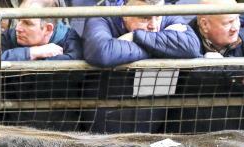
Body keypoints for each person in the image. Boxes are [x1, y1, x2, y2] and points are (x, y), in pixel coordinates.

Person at [135, 0, 244, 132]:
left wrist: (238, 75)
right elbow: (188, 78)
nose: (235, 27)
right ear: (204, 24)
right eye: (228, 23)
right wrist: (240, 74)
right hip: (187, 131)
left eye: (237, 19)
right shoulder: (179, 42)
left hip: (237, 132)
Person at [82, 0, 192, 133]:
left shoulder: (167, 12)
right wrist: (162, 48)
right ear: (125, 14)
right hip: (106, 112)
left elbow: (191, 46)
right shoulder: (102, 14)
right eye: (144, 18)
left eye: (158, 16)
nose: (153, 26)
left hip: (153, 114)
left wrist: (134, 36)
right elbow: (102, 52)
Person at [0, 0, 84, 129]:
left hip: (60, 127)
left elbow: (75, 73)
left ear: (48, 29)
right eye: (19, 20)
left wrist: (18, 65)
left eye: (27, 23)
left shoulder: (68, 39)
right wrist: (32, 52)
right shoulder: (10, 36)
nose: (18, 28)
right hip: (12, 125)